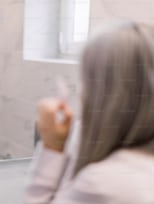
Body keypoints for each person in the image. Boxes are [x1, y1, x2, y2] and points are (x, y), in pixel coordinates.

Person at [24, 21, 154, 204]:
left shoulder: (104, 183)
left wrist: (52, 147)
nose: (82, 92)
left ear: (108, 95)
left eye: (87, 79)